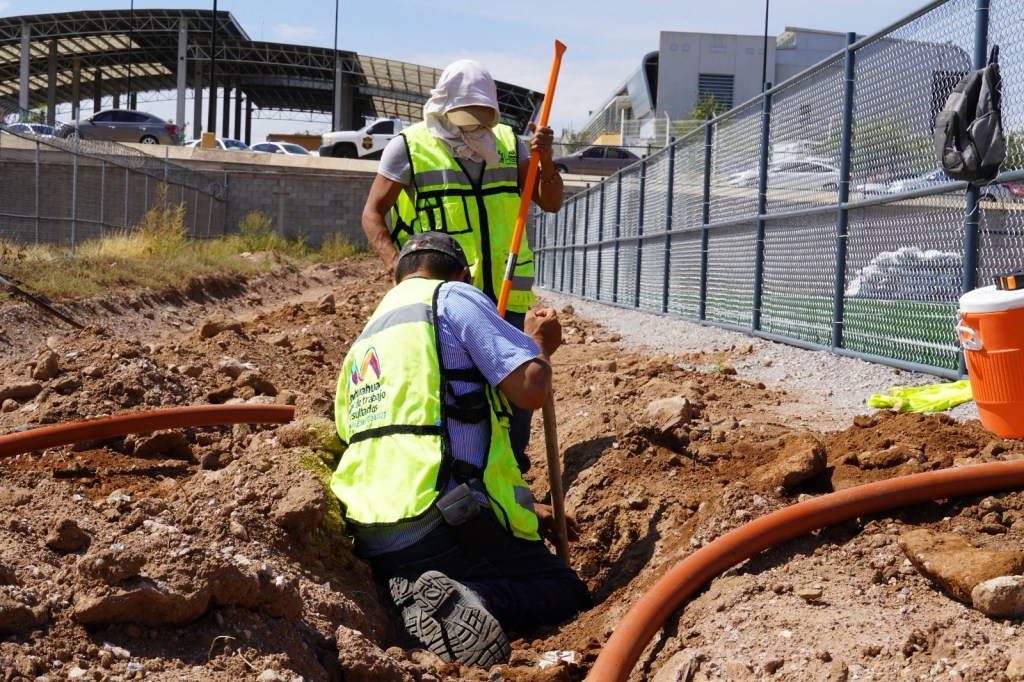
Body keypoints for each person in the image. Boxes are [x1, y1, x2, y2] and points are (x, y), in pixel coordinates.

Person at [330, 232, 590, 668]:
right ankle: (471, 597)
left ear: (399, 277)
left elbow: (406, 442)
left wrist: (528, 508)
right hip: (443, 525)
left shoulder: (366, 338)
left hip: (373, 536)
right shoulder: (452, 296)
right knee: (565, 592)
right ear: (462, 273)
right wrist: (540, 346)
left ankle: (406, 592)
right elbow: (531, 388)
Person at [361, 58, 565, 473]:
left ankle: (512, 475)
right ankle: (459, 474)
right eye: (466, 116)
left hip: (507, 293)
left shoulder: (509, 143)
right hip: (445, 298)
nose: (475, 126)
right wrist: (398, 272)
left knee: (516, 392)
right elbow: (372, 213)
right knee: (455, 389)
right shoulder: (409, 146)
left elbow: (551, 201)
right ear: (444, 105)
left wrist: (545, 159)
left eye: (482, 116)